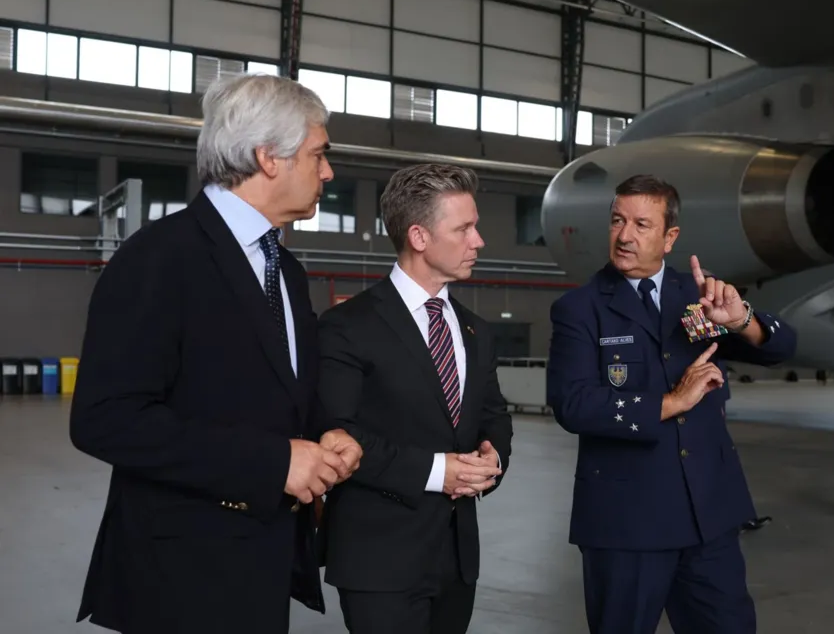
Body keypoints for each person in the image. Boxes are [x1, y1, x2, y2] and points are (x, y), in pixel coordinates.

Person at [69, 73, 365, 634]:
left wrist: (329, 432)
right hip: (181, 577)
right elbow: (105, 419)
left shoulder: (288, 273)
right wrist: (274, 461)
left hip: (264, 561)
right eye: (318, 155)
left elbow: (281, 386)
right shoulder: (159, 259)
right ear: (268, 157)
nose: (328, 172)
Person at [546, 174, 798, 634]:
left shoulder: (695, 300)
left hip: (708, 518)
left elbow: (780, 348)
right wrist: (670, 401)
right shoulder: (581, 310)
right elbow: (573, 403)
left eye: (642, 224)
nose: (625, 236)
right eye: (617, 221)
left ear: (670, 237)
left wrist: (741, 320)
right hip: (627, 526)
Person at [316, 163, 514, 634]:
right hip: (379, 558)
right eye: (464, 228)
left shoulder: (475, 331)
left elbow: (494, 415)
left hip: (456, 557)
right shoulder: (346, 328)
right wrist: (437, 471)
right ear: (420, 237)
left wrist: (493, 458)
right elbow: (339, 434)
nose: (478, 241)